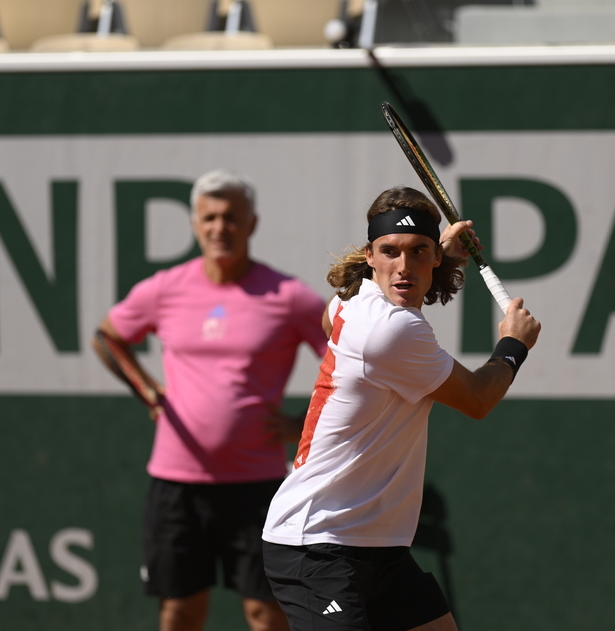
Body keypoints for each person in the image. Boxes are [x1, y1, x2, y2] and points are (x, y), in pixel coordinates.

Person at [261, 186, 542, 631]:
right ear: (370, 255)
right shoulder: (390, 331)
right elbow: (477, 399)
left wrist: (444, 253)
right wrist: (513, 345)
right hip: (317, 542)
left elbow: (331, 318)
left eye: (418, 252)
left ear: (435, 256)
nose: (403, 266)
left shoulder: (350, 301)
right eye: (389, 251)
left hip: (378, 545)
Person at [93, 169, 328, 631]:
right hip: (176, 485)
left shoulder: (289, 296)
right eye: (210, 218)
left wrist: (306, 422)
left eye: (231, 217)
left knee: (266, 613)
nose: (221, 227)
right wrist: (147, 389)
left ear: (251, 224)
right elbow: (108, 337)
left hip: (258, 485)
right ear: (196, 225)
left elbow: (345, 356)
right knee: (180, 612)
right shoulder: (165, 288)